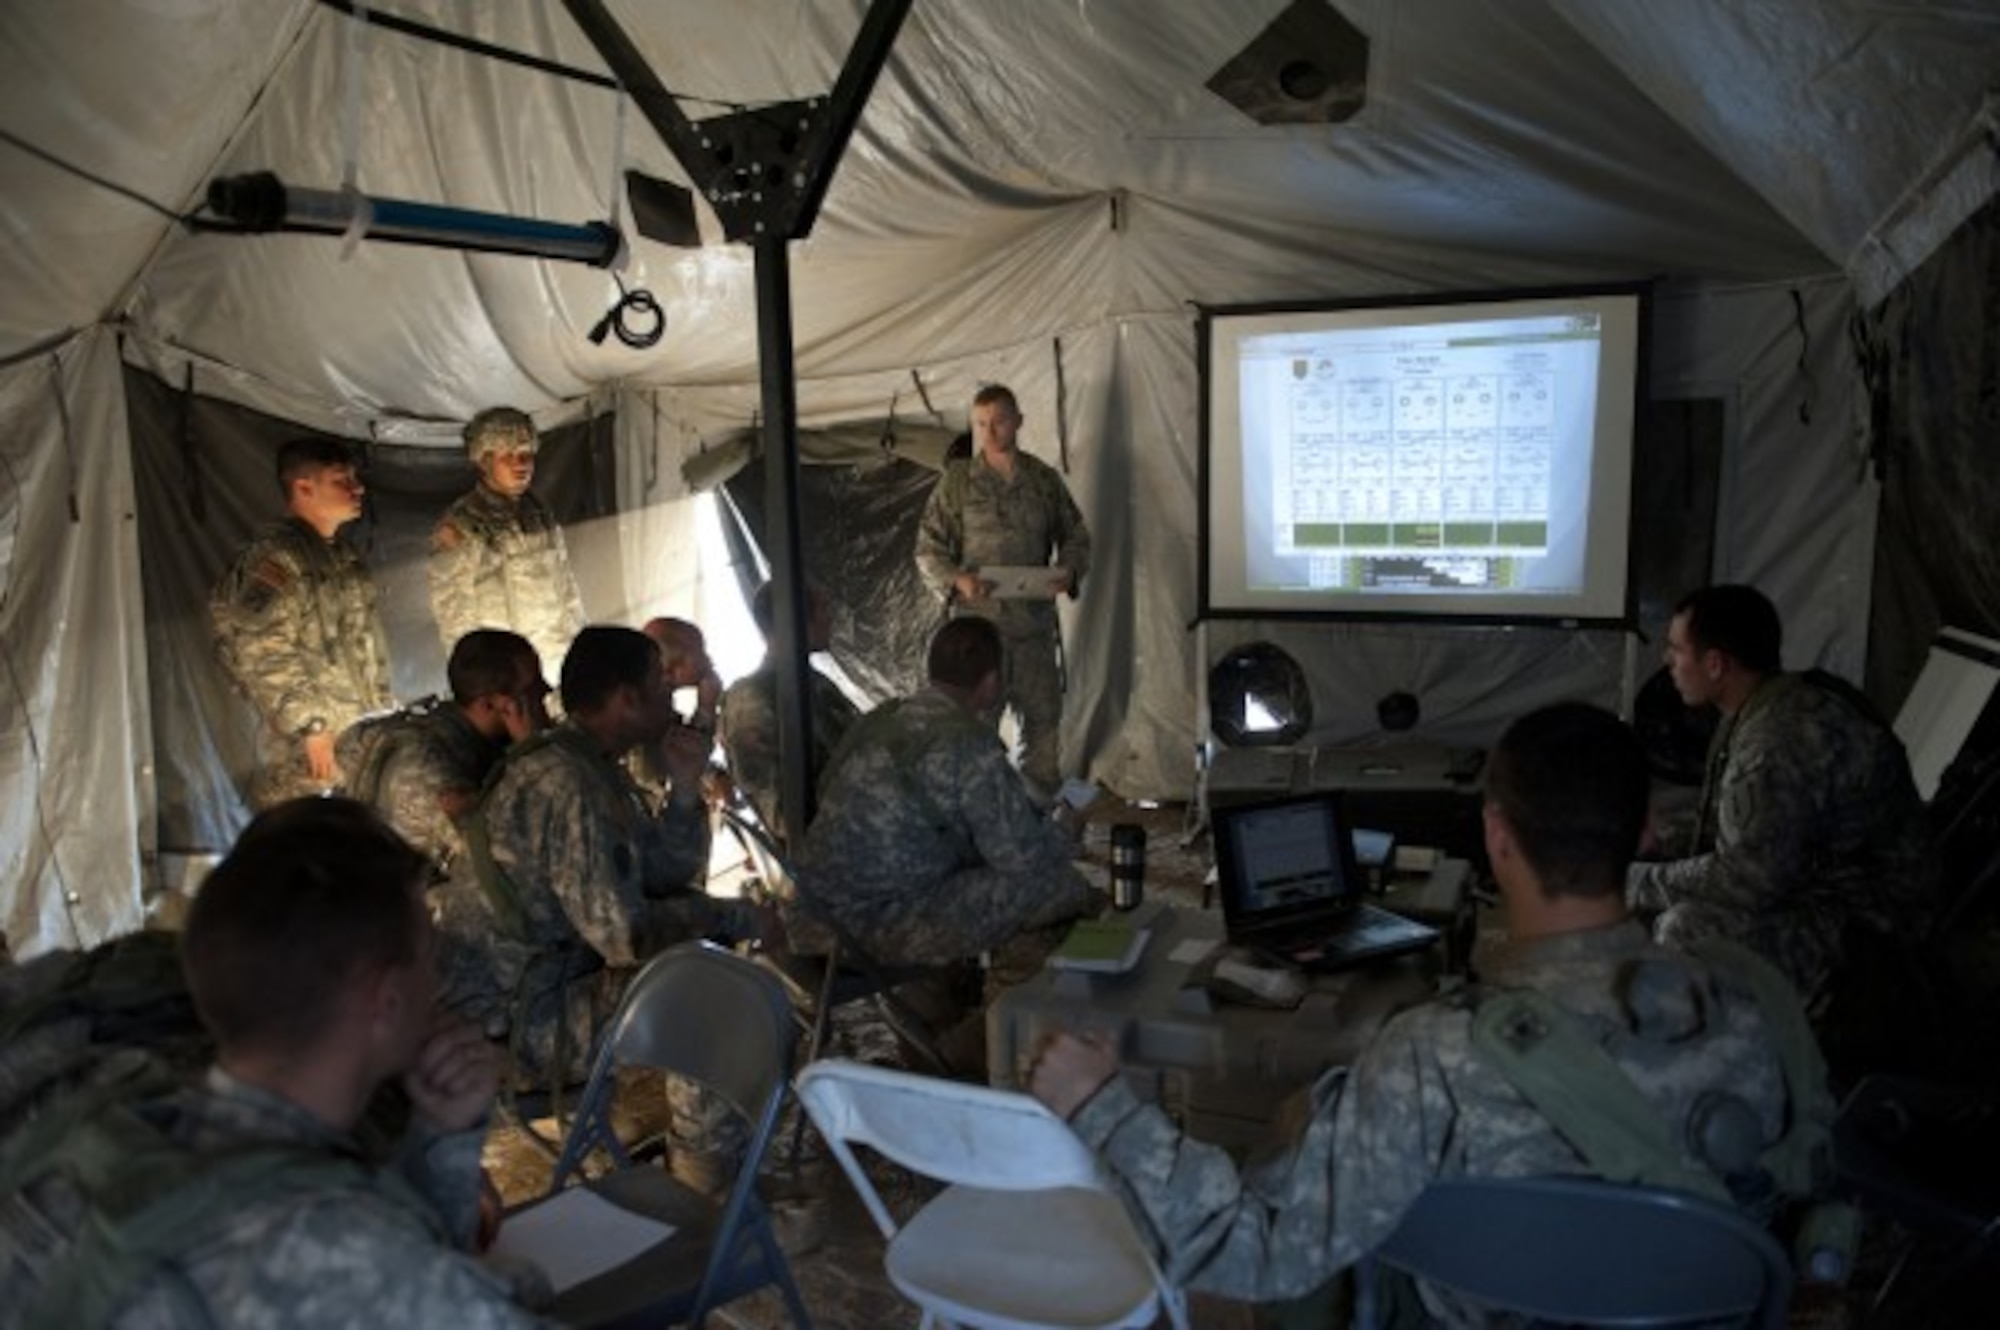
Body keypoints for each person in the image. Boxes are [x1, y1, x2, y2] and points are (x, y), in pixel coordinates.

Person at [1029, 703, 1824, 1316]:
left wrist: (1103, 1106)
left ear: (1496, 836)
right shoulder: (1758, 1006)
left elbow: (1251, 1250)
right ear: (1648, 835)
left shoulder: (1434, 1056)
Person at [1, 798, 552, 1326]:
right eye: (429, 957)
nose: (439, 982)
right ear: (387, 1000)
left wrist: (438, 1138)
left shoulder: (120, 1132)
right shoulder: (338, 1254)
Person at [433, 625, 750, 1089]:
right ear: (628, 700)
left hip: (532, 993)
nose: (672, 696)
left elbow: (662, 873)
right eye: (660, 684)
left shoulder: (587, 764)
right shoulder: (568, 781)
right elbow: (626, 936)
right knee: (703, 985)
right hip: (510, 1026)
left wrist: (684, 787)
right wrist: (737, 918)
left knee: (700, 952)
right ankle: (706, 1156)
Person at [1627, 584, 1935, 1010]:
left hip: (1871, 927)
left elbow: (1748, 879)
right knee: (1664, 901)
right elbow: (1752, 834)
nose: (1667, 662)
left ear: (1715, 664)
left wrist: (1635, 881)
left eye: (1676, 650)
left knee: (1687, 927)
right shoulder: (1772, 706)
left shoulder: (1774, 742)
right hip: (1827, 893)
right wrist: (1665, 844)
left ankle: (1721, 1057)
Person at [797, 616, 1095, 966]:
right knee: (1058, 883)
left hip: (810, 914)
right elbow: (1022, 861)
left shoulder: (884, 719)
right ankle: (1020, 986)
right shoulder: (969, 746)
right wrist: (1067, 826)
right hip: (868, 929)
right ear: (991, 682)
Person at [914, 383, 1090, 796]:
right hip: (978, 636)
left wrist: (1069, 569)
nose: (990, 432)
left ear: (1018, 422)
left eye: (999, 422)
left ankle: (1040, 821)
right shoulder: (957, 484)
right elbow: (927, 549)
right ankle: (980, 823)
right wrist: (958, 580)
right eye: (981, 424)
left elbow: (1077, 535)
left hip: (1033, 631)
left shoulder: (1043, 481)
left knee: (1044, 725)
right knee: (975, 732)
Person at [210, 437, 393, 808]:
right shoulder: (279, 560)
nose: (357, 489)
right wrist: (310, 725)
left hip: (356, 727)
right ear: (304, 488)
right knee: (299, 835)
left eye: (355, 479)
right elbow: (261, 648)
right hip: (312, 741)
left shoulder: (342, 556)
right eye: (342, 480)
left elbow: (362, 641)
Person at [340, 629, 551, 876]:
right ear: (489, 705)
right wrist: (534, 752)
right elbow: (516, 856)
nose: (546, 690)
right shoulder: (426, 770)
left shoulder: (480, 739)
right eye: (532, 688)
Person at [429, 407, 586, 673]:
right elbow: (453, 612)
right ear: (485, 461)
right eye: (508, 456)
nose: (520, 464)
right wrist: (481, 680)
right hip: (507, 672)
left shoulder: (538, 513)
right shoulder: (463, 523)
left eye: (526, 455)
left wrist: (581, 649)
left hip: (555, 660)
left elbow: (566, 588)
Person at [717, 581, 861, 842]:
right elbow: (783, 816)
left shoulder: (812, 681)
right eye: (823, 610)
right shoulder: (752, 697)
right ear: (797, 620)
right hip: (835, 850)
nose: (831, 618)